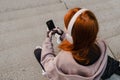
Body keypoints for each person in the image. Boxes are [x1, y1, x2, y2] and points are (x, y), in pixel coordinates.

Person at [34, 8, 120, 80]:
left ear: (71, 37)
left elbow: (49, 68)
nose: (65, 27)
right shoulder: (101, 45)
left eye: (66, 26)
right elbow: (81, 40)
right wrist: (63, 35)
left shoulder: (64, 59)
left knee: (38, 52)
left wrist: (48, 39)